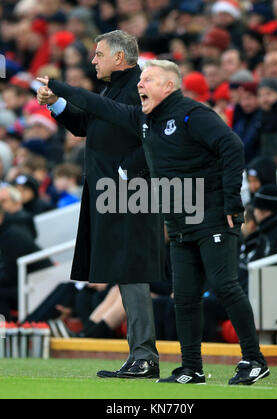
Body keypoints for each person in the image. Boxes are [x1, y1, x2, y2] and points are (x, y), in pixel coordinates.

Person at [38, 58, 270, 386]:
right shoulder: (143, 119)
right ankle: (192, 368)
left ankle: (254, 359)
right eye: (140, 80)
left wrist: (233, 201)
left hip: (213, 215)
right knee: (185, 295)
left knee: (225, 286)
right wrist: (57, 88)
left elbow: (232, 146)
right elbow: (98, 105)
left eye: (147, 80)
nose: (140, 85)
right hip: (179, 219)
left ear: (168, 86)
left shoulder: (194, 114)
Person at [37, 30, 164, 380]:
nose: (93, 60)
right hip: (110, 191)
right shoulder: (113, 87)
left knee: (133, 271)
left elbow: (148, 132)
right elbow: (86, 125)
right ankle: (138, 354)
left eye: (98, 54)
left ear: (119, 58)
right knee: (125, 272)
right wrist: (56, 104)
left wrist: (128, 171)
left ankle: (145, 356)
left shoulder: (142, 84)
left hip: (131, 192)